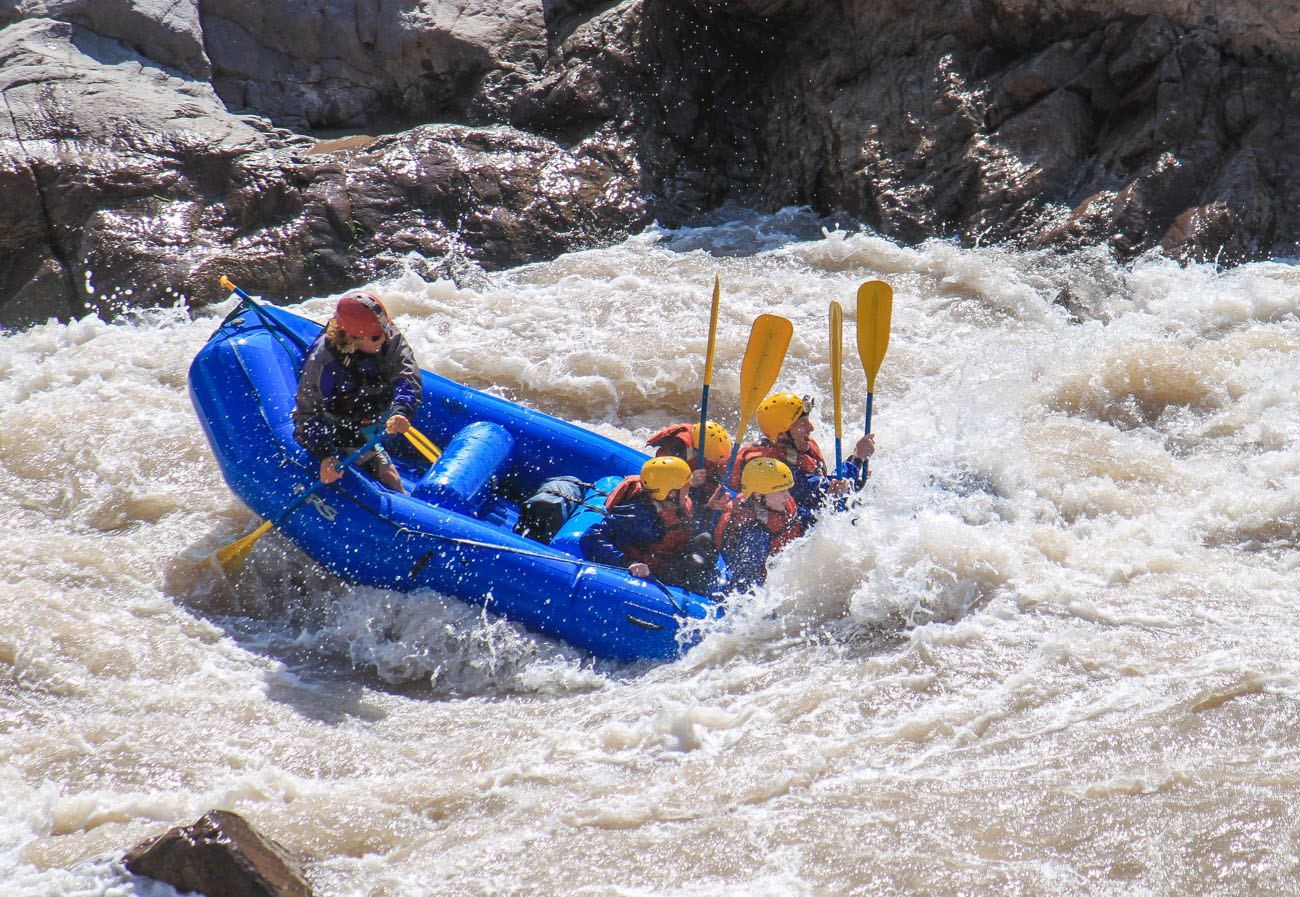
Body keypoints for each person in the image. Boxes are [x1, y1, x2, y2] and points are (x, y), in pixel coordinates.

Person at [292, 290, 422, 492]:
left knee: (390, 477)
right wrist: (325, 455)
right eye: (377, 336)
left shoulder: (385, 335)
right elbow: (307, 414)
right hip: (336, 422)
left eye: (386, 329)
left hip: (367, 415)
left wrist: (402, 410)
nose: (385, 337)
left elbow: (407, 374)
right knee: (391, 477)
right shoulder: (322, 361)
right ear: (353, 339)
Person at [729, 392, 874, 525]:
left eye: (807, 420)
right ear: (782, 434)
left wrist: (855, 480)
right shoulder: (772, 467)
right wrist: (856, 457)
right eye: (802, 424)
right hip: (796, 531)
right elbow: (824, 490)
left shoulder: (790, 447)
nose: (811, 428)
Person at [579, 456, 717, 593]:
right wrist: (628, 563)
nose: (688, 492)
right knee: (695, 564)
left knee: (705, 539)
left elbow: (685, 529)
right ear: (671, 493)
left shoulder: (670, 504)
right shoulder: (640, 516)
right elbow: (591, 537)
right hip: (654, 568)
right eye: (686, 488)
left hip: (667, 555)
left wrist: (709, 509)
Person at [714, 457, 804, 594]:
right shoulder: (754, 535)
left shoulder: (776, 503)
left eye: (786, 489)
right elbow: (747, 586)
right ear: (758, 495)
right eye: (781, 491)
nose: (787, 495)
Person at [645, 420, 732, 510]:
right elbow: (670, 493)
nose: (711, 464)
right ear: (696, 451)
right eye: (708, 461)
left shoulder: (715, 455)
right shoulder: (678, 450)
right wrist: (690, 481)